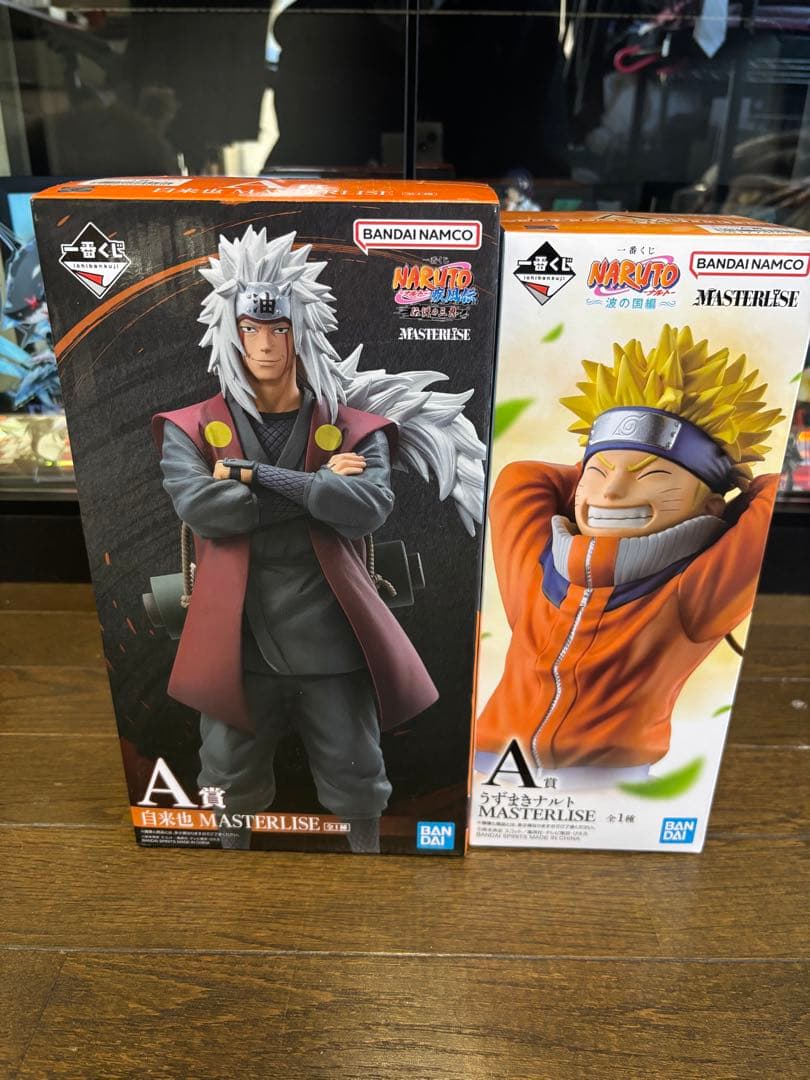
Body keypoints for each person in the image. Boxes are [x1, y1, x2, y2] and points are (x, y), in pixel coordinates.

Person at [153, 227, 486, 850]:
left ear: (301, 330)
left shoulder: (358, 428)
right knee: (226, 778)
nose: (265, 344)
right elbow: (205, 511)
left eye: (279, 329)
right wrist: (317, 490)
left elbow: (366, 509)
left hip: (335, 634)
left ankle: (368, 864)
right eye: (250, 328)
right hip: (236, 636)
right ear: (229, 331)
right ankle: (223, 875)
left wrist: (257, 476)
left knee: (358, 779)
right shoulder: (190, 428)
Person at [477, 324, 784, 788]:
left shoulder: (696, 591)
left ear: (710, 506)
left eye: (651, 476)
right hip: (493, 760)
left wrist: (722, 508)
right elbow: (522, 478)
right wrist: (607, 457)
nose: (612, 492)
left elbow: (772, 496)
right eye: (598, 473)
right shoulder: (538, 566)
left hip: (605, 781)